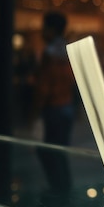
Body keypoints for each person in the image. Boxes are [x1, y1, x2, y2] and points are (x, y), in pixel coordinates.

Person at [33, 11, 76, 191]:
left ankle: (58, 189)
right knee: (60, 151)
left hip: (53, 107)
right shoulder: (68, 49)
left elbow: (45, 85)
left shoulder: (50, 53)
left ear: (51, 29)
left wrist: (36, 110)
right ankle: (64, 188)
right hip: (67, 106)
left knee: (48, 150)